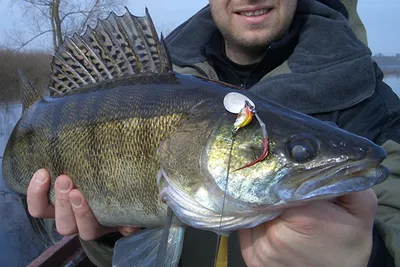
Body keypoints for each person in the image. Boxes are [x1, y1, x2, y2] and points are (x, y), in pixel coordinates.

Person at [26, 0, 400, 266]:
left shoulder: (374, 104)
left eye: (300, 151)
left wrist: (369, 259)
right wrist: (106, 236)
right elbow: (123, 255)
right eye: (302, 150)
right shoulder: (161, 72)